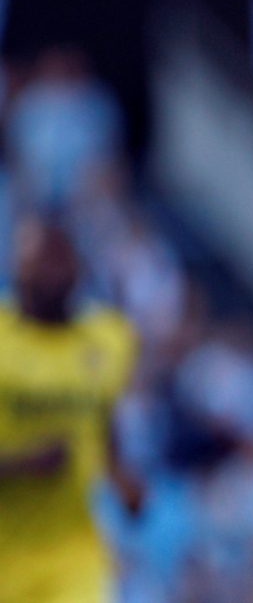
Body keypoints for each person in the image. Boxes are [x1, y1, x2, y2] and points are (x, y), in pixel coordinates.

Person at [0, 215, 142, 602]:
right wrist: (25, 463)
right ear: (17, 271)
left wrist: (118, 472)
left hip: (72, 551)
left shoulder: (109, 339)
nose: (49, 273)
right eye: (36, 263)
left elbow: (102, 415)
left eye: (57, 260)